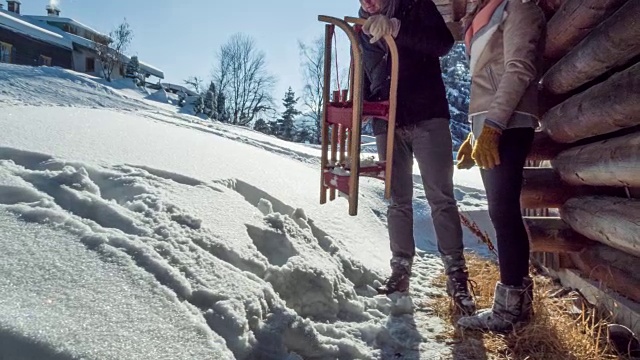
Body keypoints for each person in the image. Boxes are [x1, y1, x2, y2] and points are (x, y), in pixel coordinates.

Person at [358, 0, 476, 315]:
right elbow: (368, 76)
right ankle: (400, 271)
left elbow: (442, 43)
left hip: (427, 115)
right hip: (388, 123)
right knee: (397, 200)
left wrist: (397, 29)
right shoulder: (361, 26)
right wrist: (358, 105)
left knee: (441, 196)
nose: (368, 3)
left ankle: (456, 276)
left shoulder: (416, 5)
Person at [455, 0, 546, 332]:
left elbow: (519, 67)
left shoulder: (518, 7)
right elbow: (486, 78)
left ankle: (510, 312)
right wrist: (474, 132)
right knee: (500, 212)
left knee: (504, 212)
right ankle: (515, 305)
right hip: (491, 121)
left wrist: (491, 126)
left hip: (507, 121)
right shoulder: (483, 13)